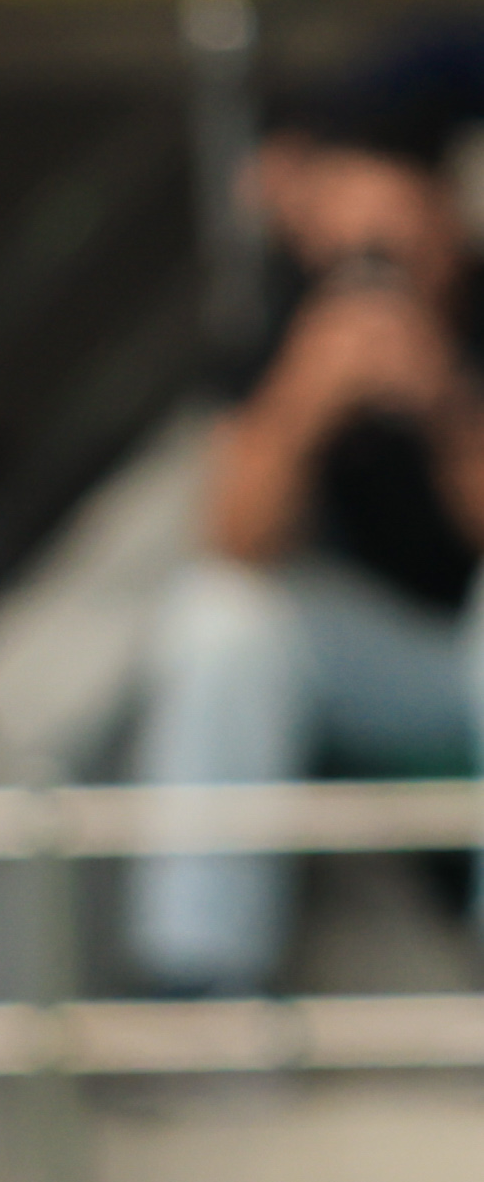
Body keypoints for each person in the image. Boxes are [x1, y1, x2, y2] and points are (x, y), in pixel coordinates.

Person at [128, 90, 484, 992]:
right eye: (346, 240)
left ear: (442, 221)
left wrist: (445, 406)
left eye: (389, 240)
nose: (368, 267)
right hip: (381, 663)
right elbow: (232, 543)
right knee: (217, 618)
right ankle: (202, 977)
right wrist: (298, 407)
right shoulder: (283, 325)